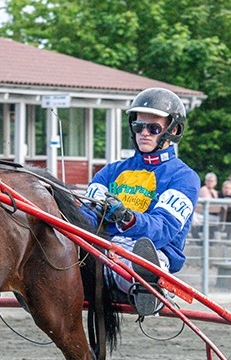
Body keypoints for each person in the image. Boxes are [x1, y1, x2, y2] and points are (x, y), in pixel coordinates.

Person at [82, 87, 199, 316]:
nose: (144, 133)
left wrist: (127, 218)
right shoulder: (110, 172)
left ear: (173, 130)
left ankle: (151, 287)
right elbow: (86, 216)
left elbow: (163, 229)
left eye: (153, 128)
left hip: (151, 251)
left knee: (137, 255)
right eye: (139, 126)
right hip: (103, 249)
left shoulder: (184, 177)